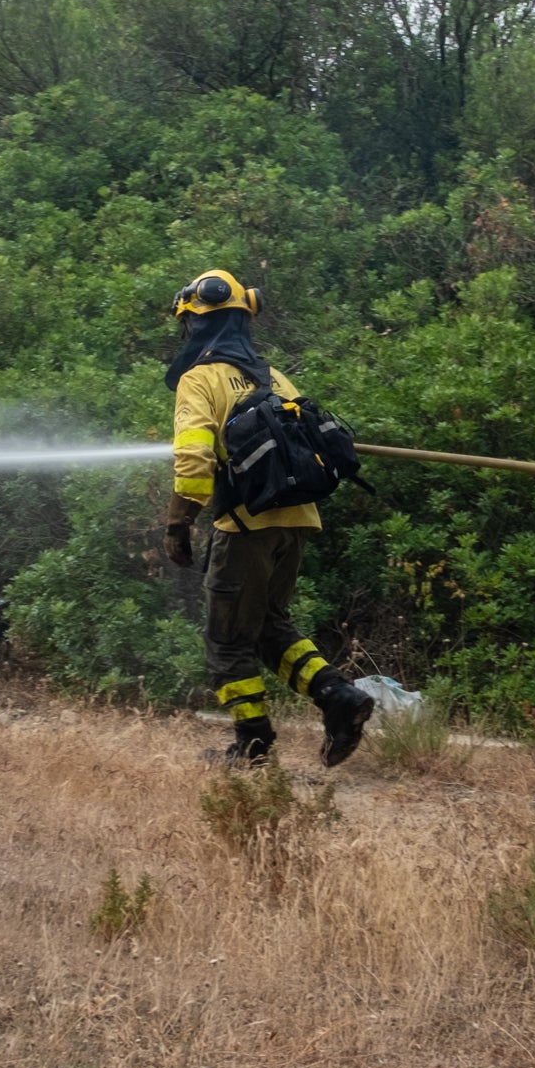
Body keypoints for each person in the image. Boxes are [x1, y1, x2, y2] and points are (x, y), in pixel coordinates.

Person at [164, 268, 376, 767]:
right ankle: (339, 697)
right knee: (266, 626)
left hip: (244, 526)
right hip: (298, 519)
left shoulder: (201, 379)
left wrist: (178, 522)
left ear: (197, 325)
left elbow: (194, 460)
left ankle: (252, 745)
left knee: (226, 640)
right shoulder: (274, 377)